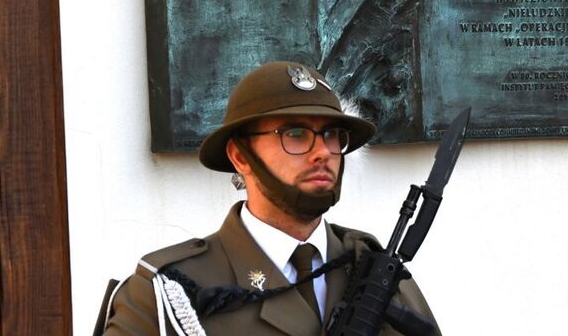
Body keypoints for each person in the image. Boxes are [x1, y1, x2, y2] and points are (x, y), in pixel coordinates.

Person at [101, 61, 440, 336]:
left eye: (332, 135)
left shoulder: (372, 267)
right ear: (240, 157)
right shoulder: (170, 291)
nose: (323, 152)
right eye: (295, 134)